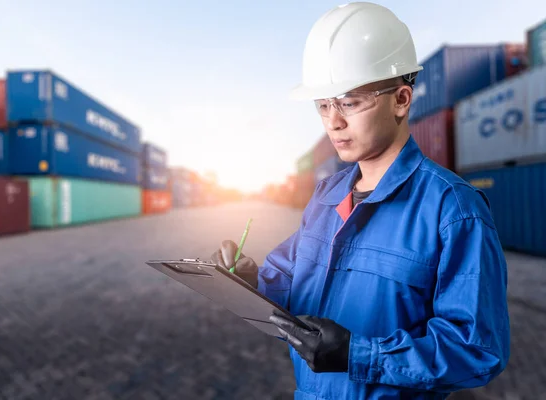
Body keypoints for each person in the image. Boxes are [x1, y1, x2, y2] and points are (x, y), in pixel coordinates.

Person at [211, 2, 510, 399]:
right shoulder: (326, 195)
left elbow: (477, 349)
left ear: (401, 99)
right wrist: (249, 282)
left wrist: (359, 354)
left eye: (349, 102)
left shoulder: (454, 211)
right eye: (323, 105)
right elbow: (290, 286)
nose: (333, 120)